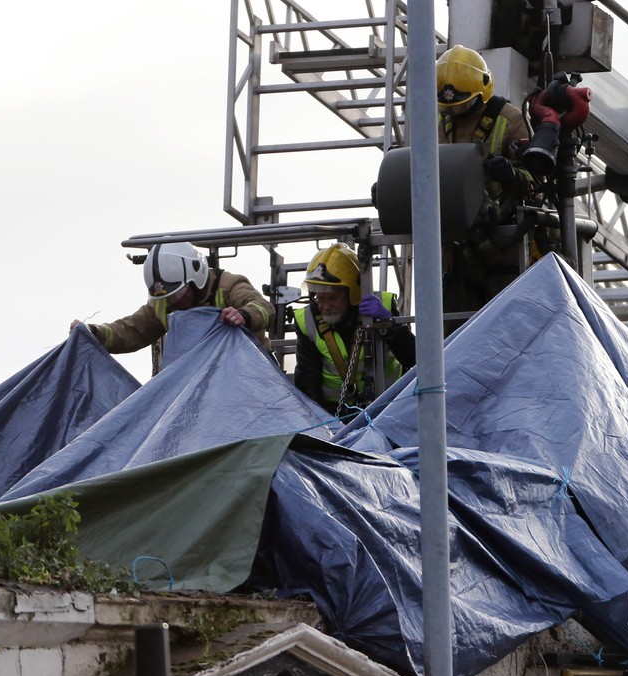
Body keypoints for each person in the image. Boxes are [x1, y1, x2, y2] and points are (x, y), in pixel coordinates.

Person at [436, 45, 538, 334]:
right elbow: (415, 164)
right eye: (448, 106)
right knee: (456, 337)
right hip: (455, 252)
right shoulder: (434, 122)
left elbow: (539, 182)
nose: (455, 110)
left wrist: (514, 175)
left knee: (506, 332)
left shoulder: (511, 121)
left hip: (502, 249)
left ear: (483, 91)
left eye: (462, 104)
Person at [72, 242, 273, 355]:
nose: (174, 302)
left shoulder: (229, 286)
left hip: (251, 377)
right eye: (168, 297)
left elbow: (264, 307)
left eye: (177, 293)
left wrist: (244, 315)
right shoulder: (162, 305)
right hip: (200, 387)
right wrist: (95, 334)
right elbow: (132, 330)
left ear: (197, 277)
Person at [291, 242, 416, 416]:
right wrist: (321, 424)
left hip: (390, 409)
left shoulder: (383, 305)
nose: (324, 306)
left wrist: (388, 325)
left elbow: (415, 359)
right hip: (334, 413)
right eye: (319, 298)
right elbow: (307, 380)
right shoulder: (307, 320)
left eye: (332, 298)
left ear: (352, 293)